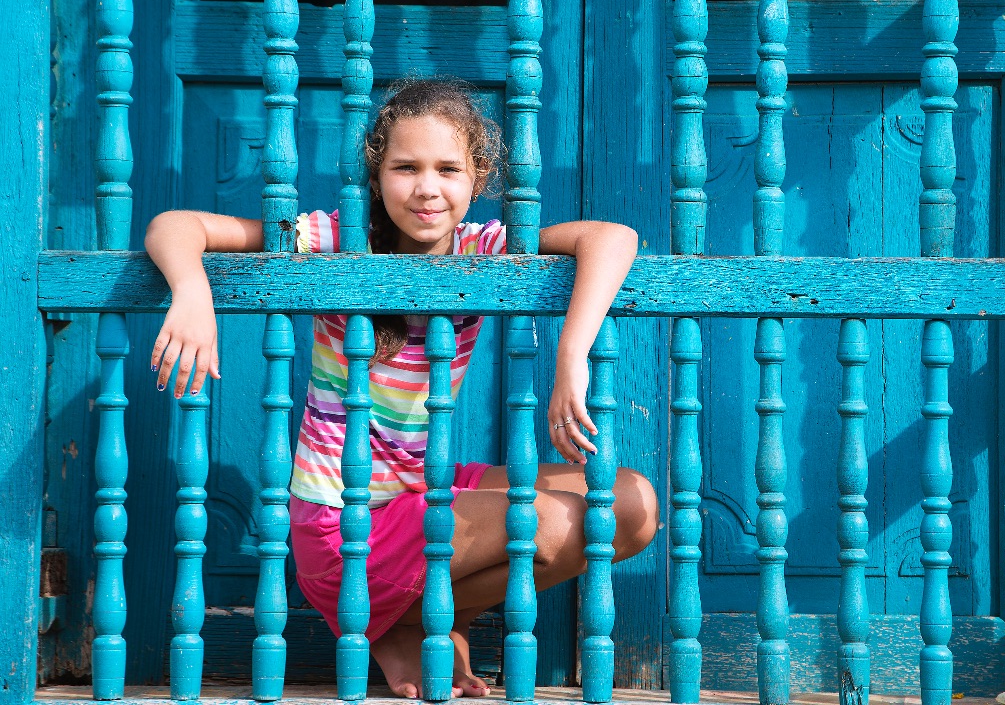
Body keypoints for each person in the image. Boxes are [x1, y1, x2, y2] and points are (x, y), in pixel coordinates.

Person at [145, 79, 659, 698]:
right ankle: (398, 628)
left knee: (631, 503)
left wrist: (570, 355)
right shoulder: (338, 240)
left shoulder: (482, 245)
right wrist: (192, 290)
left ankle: (422, 623)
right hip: (342, 528)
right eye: (405, 168)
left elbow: (613, 237)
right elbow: (175, 226)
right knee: (544, 523)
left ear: (478, 176)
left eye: (448, 169)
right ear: (377, 173)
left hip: (419, 485)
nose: (427, 188)